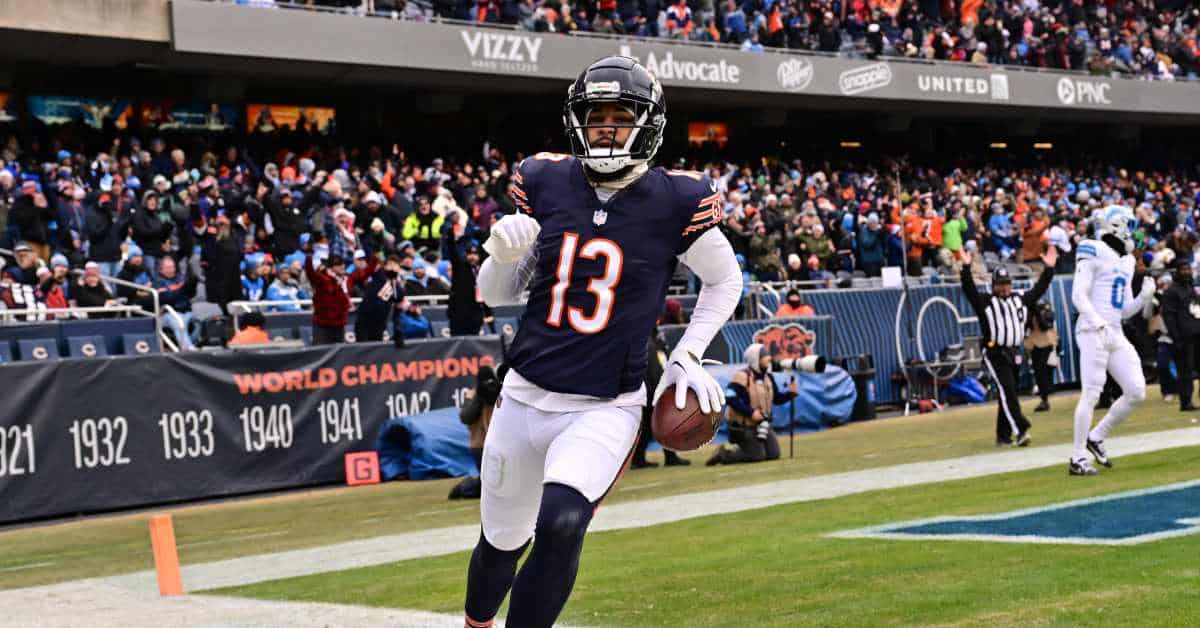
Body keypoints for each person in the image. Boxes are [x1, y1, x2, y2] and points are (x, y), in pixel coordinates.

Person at [463, 56, 742, 628]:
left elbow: (725, 280)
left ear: (648, 124)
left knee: (562, 523)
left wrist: (688, 352)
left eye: (621, 117)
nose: (607, 129)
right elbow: (495, 295)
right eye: (597, 117)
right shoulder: (546, 181)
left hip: (604, 405)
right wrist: (502, 257)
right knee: (500, 544)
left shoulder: (676, 199)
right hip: (523, 396)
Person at [1069, 205, 1154, 476]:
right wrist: (1098, 323)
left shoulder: (1126, 261)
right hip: (1092, 329)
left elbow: (1124, 310)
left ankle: (1096, 437)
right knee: (1092, 393)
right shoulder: (1092, 249)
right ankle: (1077, 458)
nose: (1133, 232)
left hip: (1114, 330)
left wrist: (1143, 298)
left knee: (1136, 390)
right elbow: (1078, 296)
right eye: (1130, 225)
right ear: (1117, 225)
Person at [959, 245, 1056, 447]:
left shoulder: (1019, 299)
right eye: (1000, 284)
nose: (1004, 288)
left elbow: (1039, 289)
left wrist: (1049, 269)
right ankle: (1021, 430)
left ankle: (1002, 436)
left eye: (1007, 284)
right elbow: (969, 290)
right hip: (995, 352)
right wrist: (966, 268)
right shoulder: (985, 302)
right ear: (993, 285)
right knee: (1009, 391)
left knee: (1008, 393)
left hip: (1015, 352)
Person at [706, 343, 797, 466]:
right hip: (743, 427)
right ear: (755, 359)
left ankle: (747, 449)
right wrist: (751, 413)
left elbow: (776, 399)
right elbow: (729, 398)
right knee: (757, 456)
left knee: (774, 454)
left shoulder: (768, 377)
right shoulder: (741, 376)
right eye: (764, 355)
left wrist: (790, 394)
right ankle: (724, 454)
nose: (769, 358)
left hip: (762, 425)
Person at [630, 327, 690, 469]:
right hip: (653, 389)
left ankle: (641, 458)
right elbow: (654, 368)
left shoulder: (653, 339)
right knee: (659, 424)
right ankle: (666, 457)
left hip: (650, 388)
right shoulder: (649, 341)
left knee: (650, 426)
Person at [449, 365, 505, 500]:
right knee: (489, 486)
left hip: (499, 443)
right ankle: (463, 488)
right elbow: (465, 418)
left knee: (502, 482)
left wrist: (497, 393)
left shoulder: (501, 392)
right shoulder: (473, 394)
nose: (489, 385)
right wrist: (479, 398)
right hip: (480, 445)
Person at [304, 253, 377, 344]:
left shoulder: (347, 279)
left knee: (339, 350)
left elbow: (365, 273)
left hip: (339, 325)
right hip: (323, 325)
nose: (342, 266)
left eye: (342, 263)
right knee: (320, 350)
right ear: (331, 267)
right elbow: (310, 274)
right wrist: (309, 258)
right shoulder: (322, 278)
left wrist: (374, 259)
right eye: (338, 264)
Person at [1159, 258, 1200, 411]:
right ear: (1177, 272)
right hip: (1183, 337)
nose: (1186, 272)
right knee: (1185, 371)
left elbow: (1195, 308)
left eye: (1188, 269)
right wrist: (1176, 336)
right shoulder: (1171, 291)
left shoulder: (1190, 288)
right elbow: (1168, 316)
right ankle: (1186, 402)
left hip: (1196, 333)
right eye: (1183, 270)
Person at [354, 255, 406, 345]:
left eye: (395, 265)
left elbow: (398, 310)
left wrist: (398, 333)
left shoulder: (397, 287)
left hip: (380, 324)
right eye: (390, 264)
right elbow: (369, 268)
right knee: (363, 347)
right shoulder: (378, 275)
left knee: (376, 347)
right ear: (384, 266)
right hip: (364, 321)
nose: (392, 267)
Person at [1024, 301, 1059, 412]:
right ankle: (1044, 399)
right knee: (1038, 372)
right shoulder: (1029, 313)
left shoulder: (1047, 313)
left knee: (1043, 370)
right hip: (1034, 344)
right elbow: (1027, 327)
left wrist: (1037, 312)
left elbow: (1045, 327)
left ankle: (1045, 399)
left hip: (1046, 343)